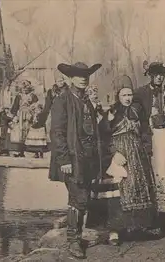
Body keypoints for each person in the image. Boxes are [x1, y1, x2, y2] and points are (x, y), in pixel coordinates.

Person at [91, 75, 158, 246]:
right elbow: (104, 137)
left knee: (138, 186)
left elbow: (144, 130)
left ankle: (137, 226)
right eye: (124, 95)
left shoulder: (137, 109)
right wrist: (113, 153)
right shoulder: (111, 113)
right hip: (119, 153)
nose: (127, 98)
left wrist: (146, 147)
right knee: (118, 190)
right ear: (118, 96)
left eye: (129, 95)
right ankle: (115, 230)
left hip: (137, 153)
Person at [49, 61, 103, 259]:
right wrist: (64, 159)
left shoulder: (86, 101)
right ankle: (73, 241)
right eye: (79, 75)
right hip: (72, 159)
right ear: (70, 78)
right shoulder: (62, 100)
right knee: (77, 198)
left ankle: (78, 236)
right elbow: (57, 133)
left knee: (85, 198)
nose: (83, 78)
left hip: (88, 158)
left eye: (86, 75)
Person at [133, 61, 165, 236]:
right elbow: (134, 115)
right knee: (151, 177)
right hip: (151, 138)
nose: (160, 77)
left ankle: (163, 221)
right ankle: (148, 220)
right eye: (156, 74)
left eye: (162, 74)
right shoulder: (140, 93)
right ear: (150, 75)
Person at [9, 80, 39, 157]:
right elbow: (15, 107)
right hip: (21, 116)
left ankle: (34, 152)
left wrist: (35, 114)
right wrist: (14, 116)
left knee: (31, 133)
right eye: (23, 88)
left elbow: (37, 106)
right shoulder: (19, 96)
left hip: (30, 116)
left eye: (26, 88)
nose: (25, 90)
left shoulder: (33, 96)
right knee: (21, 133)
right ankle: (21, 151)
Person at [40, 71, 68, 148]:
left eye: (62, 80)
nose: (61, 82)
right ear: (55, 82)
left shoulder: (68, 91)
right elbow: (47, 104)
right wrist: (43, 115)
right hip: (54, 114)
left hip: (65, 113)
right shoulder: (51, 91)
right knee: (53, 129)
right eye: (59, 81)